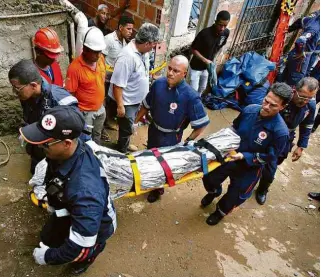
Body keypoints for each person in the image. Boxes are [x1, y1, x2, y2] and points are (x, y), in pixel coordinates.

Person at [19, 106, 117, 275]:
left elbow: (81, 245)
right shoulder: (65, 152)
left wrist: (48, 257)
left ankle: (80, 266)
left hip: (95, 229)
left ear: (66, 144)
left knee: (83, 254)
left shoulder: (86, 192)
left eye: (45, 143)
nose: (41, 146)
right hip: (66, 208)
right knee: (50, 236)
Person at [201, 83, 292, 225]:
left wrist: (246, 156)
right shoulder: (249, 110)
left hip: (250, 168)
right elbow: (234, 128)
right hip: (230, 157)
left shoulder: (280, 132)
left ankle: (219, 212)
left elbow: (270, 157)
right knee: (209, 178)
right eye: (266, 101)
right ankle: (214, 192)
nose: (266, 107)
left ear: (282, 107)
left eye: (273, 105)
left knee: (234, 197)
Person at [134, 55, 210, 203]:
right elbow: (146, 105)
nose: (170, 73)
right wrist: (135, 122)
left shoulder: (191, 96)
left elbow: (201, 124)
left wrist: (188, 141)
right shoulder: (158, 84)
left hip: (171, 137)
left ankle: (157, 189)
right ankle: (148, 180)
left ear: (184, 74)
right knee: (149, 156)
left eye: (176, 71)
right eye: (169, 68)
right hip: (154, 129)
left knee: (163, 164)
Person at [8, 59, 78, 174]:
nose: (14, 92)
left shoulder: (61, 101)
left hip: (55, 154)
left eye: (17, 88)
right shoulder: (27, 96)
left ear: (33, 85)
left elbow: (75, 133)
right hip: (38, 149)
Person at [255, 77, 318, 205]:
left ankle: (262, 189)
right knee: (255, 159)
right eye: (302, 97)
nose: (305, 101)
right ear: (295, 90)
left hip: (285, 139)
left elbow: (307, 125)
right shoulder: (282, 98)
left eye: (309, 98)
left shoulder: (310, 106)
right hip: (266, 133)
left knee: (271, 167)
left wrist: (301, 146)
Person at [108, 23, 160, 153]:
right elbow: (118, 84)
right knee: (127, 128)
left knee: (129, 126)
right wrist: (120, 105)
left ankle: (124, 143)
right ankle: (122, 151)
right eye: (154, 44)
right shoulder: (127, 57)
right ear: (147, 43)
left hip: (136, 99)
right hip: (127, 101)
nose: (154, 48)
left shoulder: (143, 52)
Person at [65, 27, 107, 144]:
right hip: (85, 113)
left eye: (100, 51)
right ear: (86, 49)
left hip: (100, 108)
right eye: (95, 52)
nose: (98, 55)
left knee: (97, 136)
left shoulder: (100, 59)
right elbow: (70, 95)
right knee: (85, 140)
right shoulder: (75, 68)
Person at [101, 16, 134, 141]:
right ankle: (101, 128)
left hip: (116, 80)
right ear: (120, 28)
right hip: (105, 79)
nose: (131, 31)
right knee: (102, 104)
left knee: (110, 104)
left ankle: (108, 122)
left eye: (132, 29)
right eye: (128, 29)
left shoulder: (126, 42)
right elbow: (101, 58)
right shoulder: (109, 39)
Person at [189, 10, 231, 94]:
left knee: (202, 88)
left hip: (207, 68)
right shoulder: (204, 33)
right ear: (215, 22)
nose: (222, 28)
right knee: (193, 90)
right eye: (220, 25)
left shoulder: (226, 33)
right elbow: (193, 49)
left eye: (225, 26)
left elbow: (220, 46)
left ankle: (197, 103)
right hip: (195, 67)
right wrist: (205, 60)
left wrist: (214, 59)